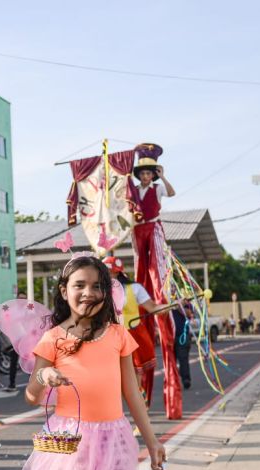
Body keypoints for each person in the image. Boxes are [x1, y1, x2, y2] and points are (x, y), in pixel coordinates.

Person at [19, 255, 166, 470]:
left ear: (106, 293)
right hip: (75, 446)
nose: (89, 293)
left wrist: (152, 441)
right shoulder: (52, 338)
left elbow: (133, 394)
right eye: (80, 285)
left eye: (97, 286)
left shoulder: (118, 334)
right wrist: (43, 375)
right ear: (64, 291)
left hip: (116, 441)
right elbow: (31, 396)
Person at [129, 143, 181, 419]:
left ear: (154, 174)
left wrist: (164, 175)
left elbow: (171, 193)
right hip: (138, 230)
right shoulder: (134, 191)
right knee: (140, 267)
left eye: (151, 173)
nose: (147, 177)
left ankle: (156, 287)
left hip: (154, 228)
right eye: (144, 173)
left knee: (154, 270)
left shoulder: (158, 189)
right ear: (139, 175)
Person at [103, 256, 169, 407]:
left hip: (133, 337)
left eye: (107, 271)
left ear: (116, 272)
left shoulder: (134, 289)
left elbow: (152, 308)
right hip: (110, 338)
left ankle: (141, 419)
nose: (105, 274)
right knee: (114, 383)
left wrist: (172, 305)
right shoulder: (99, 290)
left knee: (134, 383)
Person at [172, 304, 194, 389]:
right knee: (171, 360)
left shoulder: (184, 300)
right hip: (170, 336)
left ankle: (186, 380)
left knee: (183, 358)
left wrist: (179, 306)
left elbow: (189, 314)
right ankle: (173, 381)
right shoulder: (165, 298)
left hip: (183, 335)